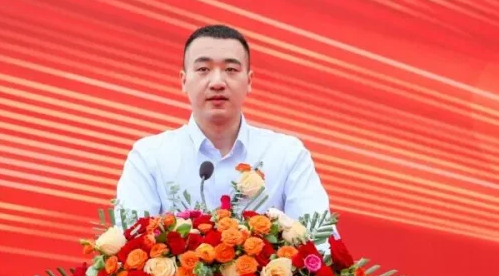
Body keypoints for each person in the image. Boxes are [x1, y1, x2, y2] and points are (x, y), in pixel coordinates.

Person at [114, 24, 334, 224]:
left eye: (231, 70)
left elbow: (318, 240)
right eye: (203, 69)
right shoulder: (149, 156)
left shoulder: (287, 154)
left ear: (249, 81)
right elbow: (131, 238)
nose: (217, 82)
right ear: (184, 80)